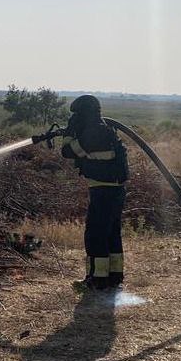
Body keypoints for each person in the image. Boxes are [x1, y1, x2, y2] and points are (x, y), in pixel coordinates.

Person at [61, 95, 129, 289]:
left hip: (103, 190)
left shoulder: (93, 134)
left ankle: (97, 279)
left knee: (95, 234)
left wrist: (70, 131)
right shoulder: (104, 130)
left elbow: (66, 151)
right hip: (115, 190)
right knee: (111, 233)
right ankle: (114, 276)